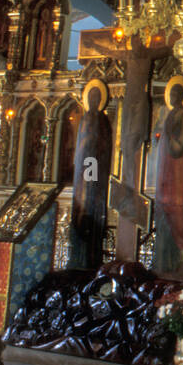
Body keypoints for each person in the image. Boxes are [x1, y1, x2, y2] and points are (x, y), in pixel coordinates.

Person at [152, 81, 183, 278]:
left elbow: (180, 145)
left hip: (179, 168)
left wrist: (168, 137)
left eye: (176, 94)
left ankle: (179, 262)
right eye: (171, 94)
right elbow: (160, 139)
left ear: (181, 97)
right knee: (164, 206)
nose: (172, 98)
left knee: (177, 208)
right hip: (166, 167)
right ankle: (163, 262)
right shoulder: (169, 114)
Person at [70, 84, 112, 270]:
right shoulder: (86, 117)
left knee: (90, 201)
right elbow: (83, 143)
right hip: (86, 166)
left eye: (96, 97)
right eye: (91, 97)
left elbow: (102, 144)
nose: (94, 100)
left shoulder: (101, 119)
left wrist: (92, 144)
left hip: (93, 166)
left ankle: (90, 255)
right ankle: (80, 255)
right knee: (84, 202)